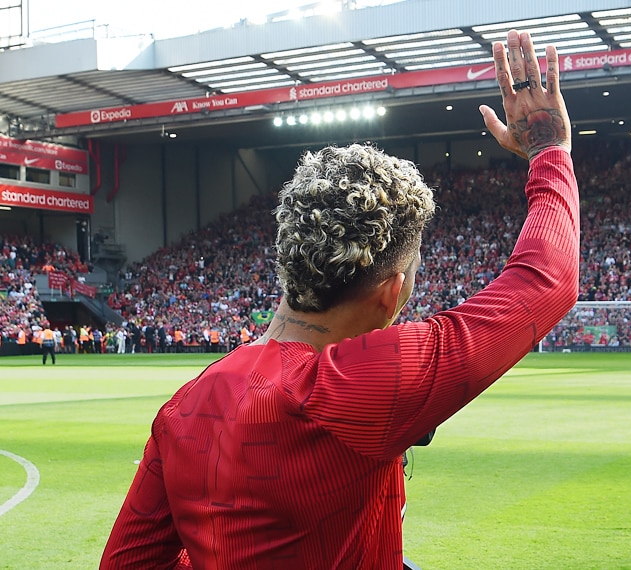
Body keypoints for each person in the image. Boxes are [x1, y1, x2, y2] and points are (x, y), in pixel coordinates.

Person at [100, 30, 577, 570]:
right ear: (391, 292)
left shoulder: (184, 405)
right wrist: (549, 150)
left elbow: (126, 564)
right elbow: (548, 278)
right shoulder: (361, 383)